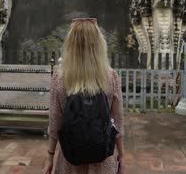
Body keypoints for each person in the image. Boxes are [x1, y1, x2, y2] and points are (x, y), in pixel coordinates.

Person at [43, 18, 125, 174]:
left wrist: (50, 158)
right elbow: (118, 123)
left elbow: (55, 124)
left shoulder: (60, 78)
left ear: (70, 45)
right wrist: (122, 156)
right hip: (103, 160)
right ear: (99, 45)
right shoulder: (111, 77)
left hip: (70, 160)